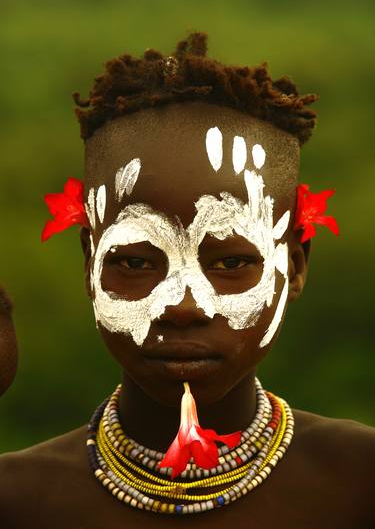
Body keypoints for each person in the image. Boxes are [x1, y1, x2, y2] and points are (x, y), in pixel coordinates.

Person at [0, 32, 374, 529]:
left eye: (230, 262)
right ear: (89, 263)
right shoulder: (18, 499)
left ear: (296, 263)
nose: (182, 307)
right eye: (135, 263)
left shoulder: (359, 482)